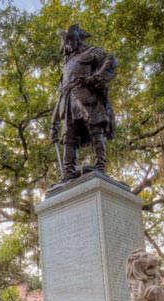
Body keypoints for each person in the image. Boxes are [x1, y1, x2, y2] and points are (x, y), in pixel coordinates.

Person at [50, 24, 117, 183]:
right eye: (66, 42)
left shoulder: (91, 52)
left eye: (70, 40)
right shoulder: (65, 67)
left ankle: (100, 166)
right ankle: (68, 172)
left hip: (86, 97)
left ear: (78, 40)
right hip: (67, 104)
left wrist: (97, 77)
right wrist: (53, 123)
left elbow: (110, 60)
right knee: (69, 138)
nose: (68, 45)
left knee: (95, 129)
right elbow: (60, 95)